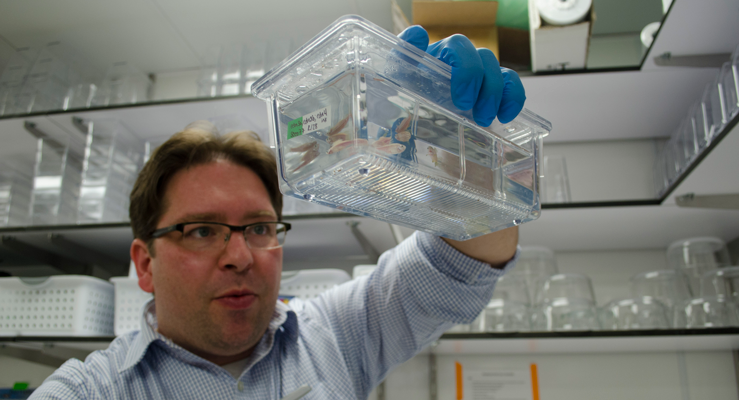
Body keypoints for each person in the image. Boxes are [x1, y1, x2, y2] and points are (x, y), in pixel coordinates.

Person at [29, 25, 525, 399]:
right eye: (202, 230)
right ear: (144, 264)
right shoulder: (91, 389)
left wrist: (467, 157)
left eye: (260, 227)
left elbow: (459, 265)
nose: (240, 256)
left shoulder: (333, 334)